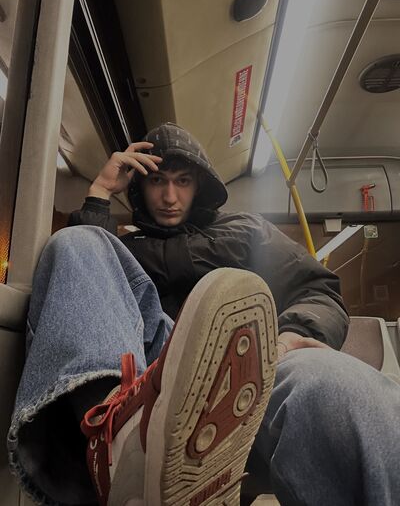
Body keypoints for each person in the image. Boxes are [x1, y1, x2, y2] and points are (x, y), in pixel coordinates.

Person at [7, 122, 400, 506]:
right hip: (149, 375)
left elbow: (316, 289)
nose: (169, 196)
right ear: (140, 187)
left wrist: (292, 333)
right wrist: (99, 193)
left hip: (249, 364)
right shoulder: (123, 248)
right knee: (75, 242)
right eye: (157, 181)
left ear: (200, 186)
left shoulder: (249, 232)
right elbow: (85, 301)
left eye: (182, 181)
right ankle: (123, 445)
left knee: (337, 384)